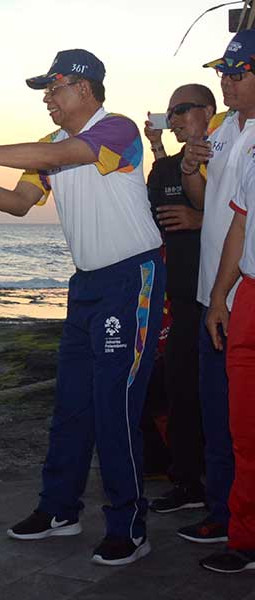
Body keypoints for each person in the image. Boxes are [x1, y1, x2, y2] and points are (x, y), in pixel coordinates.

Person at [0, 48, 165, 566]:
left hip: (131, 279)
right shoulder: (50, 146)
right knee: (71, 403)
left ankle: (129, 527)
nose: (47, 100)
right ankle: (60, 509)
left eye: (54, 89)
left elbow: (68, 156)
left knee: (115, 405)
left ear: (83, 88)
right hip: (86, 284)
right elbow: (19, 204)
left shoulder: (118, 130)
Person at [174, 30, 255, 546]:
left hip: (240, 291)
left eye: (237, 73)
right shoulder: (223, 127)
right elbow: (208, 201)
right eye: (223, 73)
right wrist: (188, 167)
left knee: (241, 420)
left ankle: (236, 521)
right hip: (214, 293)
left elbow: (242, 220)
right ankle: (223, 513)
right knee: (217, 414)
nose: (226, 82)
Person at [142, 84, 215, 513]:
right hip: (182, 297)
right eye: (170, 112)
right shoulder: (166, 169)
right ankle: (188, 483)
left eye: (183, 109)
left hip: (222, 294)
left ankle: (216, 486)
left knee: (218, 395)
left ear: (208, 111)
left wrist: (200, 218)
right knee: (180, 390)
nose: (174, 118)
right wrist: (156, 147)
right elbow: (154, 206)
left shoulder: (230, 157)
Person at [200, 125, 255, 572]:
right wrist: (219, 296)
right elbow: (240, 224)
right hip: (249, 294)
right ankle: (246, 541)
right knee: (245, 431)